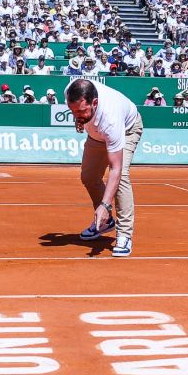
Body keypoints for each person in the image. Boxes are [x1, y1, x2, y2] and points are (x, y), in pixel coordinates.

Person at [66, 78, 142, 258]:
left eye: (82, 110)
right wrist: (81, 118)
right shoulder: (71, 91)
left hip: (127, 130)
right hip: (95, 134)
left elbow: (114, 169)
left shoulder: (111, 119)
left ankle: (124, 234)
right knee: (89, 176)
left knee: (121, 175)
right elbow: (78, 108)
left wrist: (105, 204)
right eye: (73, 111)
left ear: (95, 103)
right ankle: (105, 222)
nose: (77, 114)